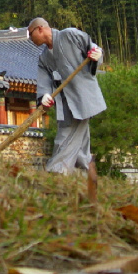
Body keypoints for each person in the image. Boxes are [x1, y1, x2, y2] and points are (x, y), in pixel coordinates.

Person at [27, 17, 106, 174]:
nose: (29, 38)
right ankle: (85, 175)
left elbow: (94, 49)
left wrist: (97, 55)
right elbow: (44, 82)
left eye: (31, 34)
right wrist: (44, 96)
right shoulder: (43, 58)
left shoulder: (70, 35)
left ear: (40, 29)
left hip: (82, 98)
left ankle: (56, 171)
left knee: (66, 135)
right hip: (64, 103)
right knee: (81, 143)